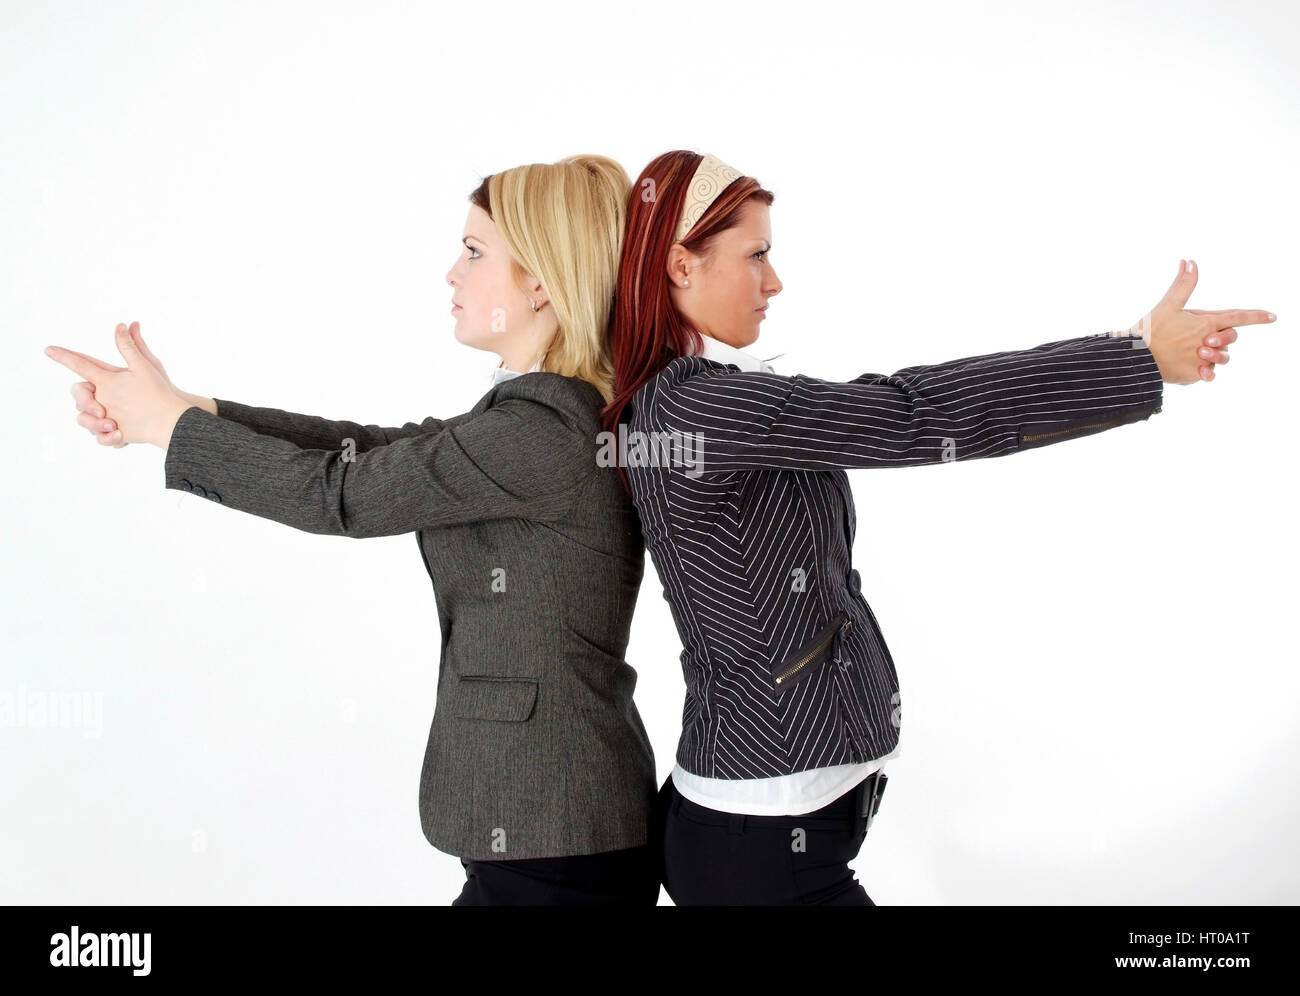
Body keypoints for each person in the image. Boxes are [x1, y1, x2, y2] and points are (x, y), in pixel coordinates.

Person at [602, 149, 1274, 905]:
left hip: (767, 824)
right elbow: (912, 413)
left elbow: (899, 412)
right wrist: (1133, 362)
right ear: (680, 265)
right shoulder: (697, 406)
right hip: (759, 840)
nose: (775, 280)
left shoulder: (704, 400)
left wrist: (1128, 353)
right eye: (756, 254)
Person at [47, 154, 662, 906]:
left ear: (540, 281)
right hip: (550, 827)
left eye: (474, 252)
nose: (451, 274)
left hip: (557, 833)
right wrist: (192, 410)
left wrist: (171, 430)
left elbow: (342, 494)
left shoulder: (541, 433)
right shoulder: (533, 417)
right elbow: (367, 447)